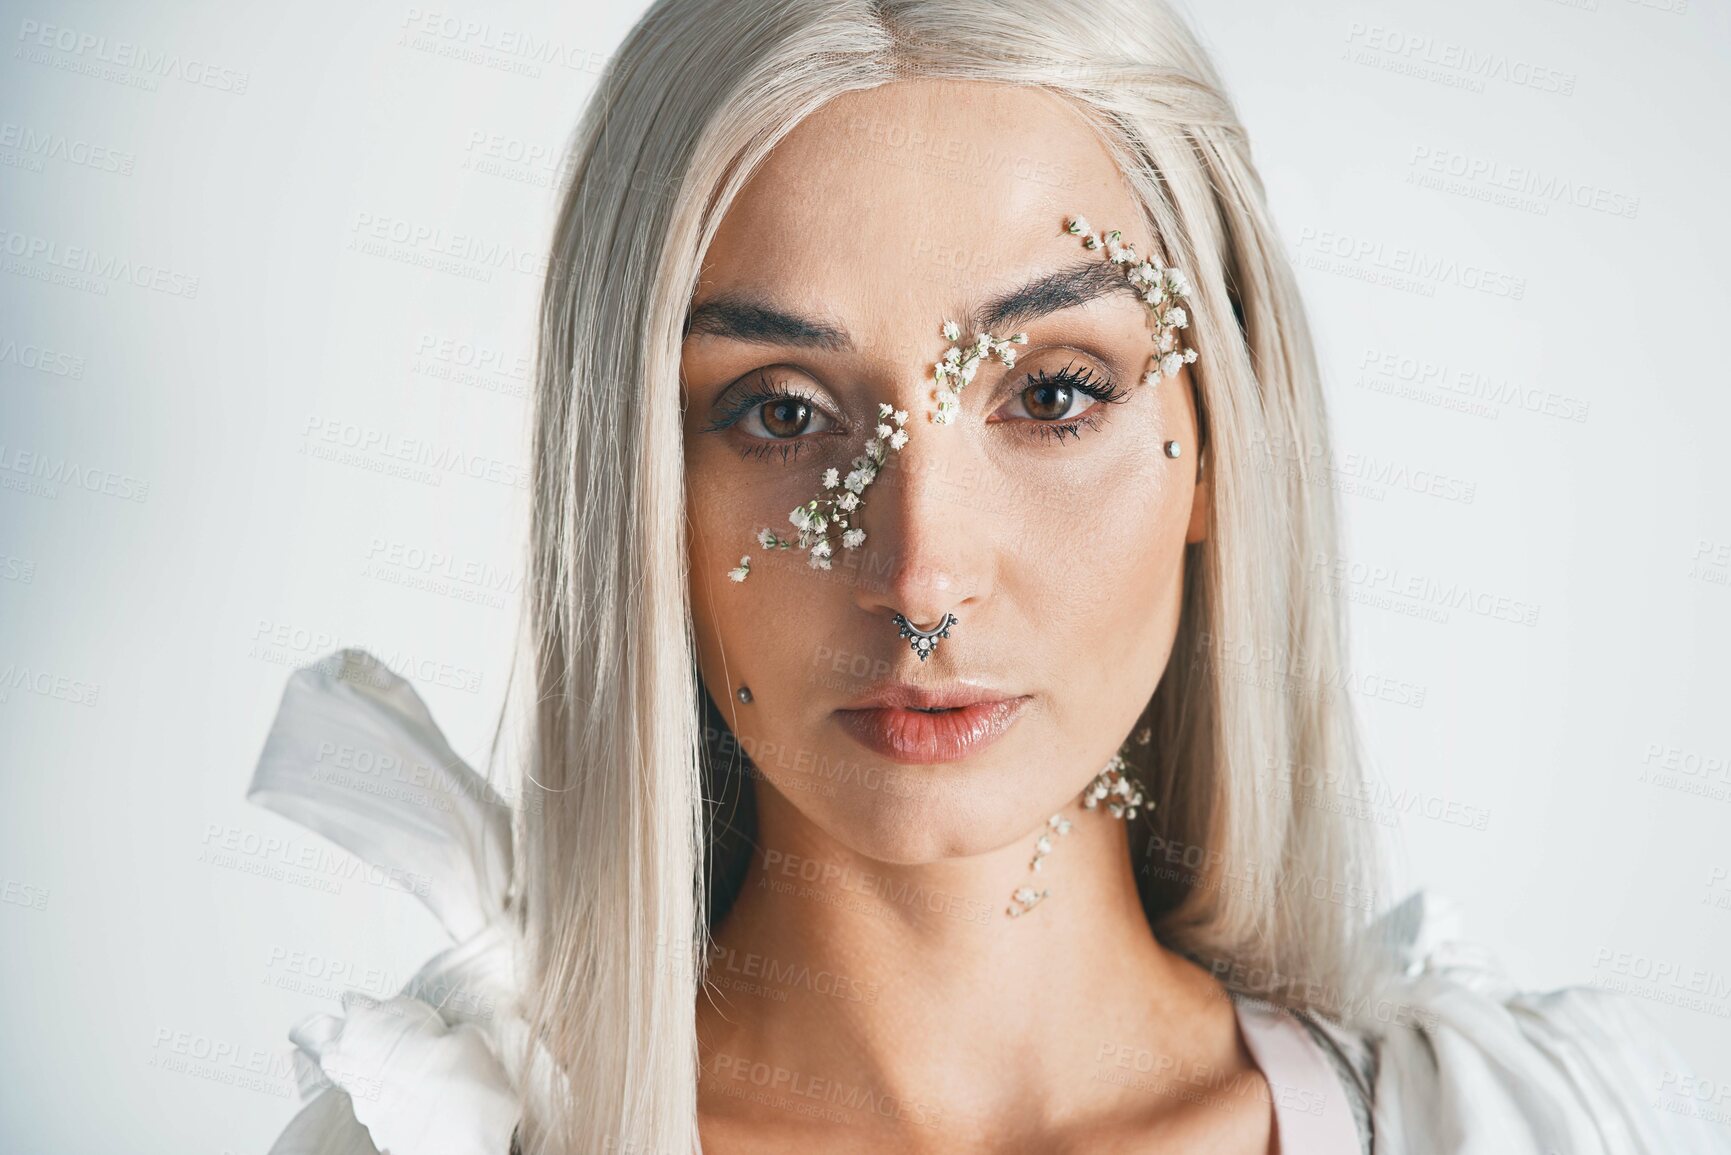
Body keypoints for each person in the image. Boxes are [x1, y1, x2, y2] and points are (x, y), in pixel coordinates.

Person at [247, 1, 1727, 1152]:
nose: (923, 574)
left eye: (1056, 392)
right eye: (779, 410)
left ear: (1217, 447)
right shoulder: (418, 1142)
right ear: (631, 485)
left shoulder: (1544, 1131)